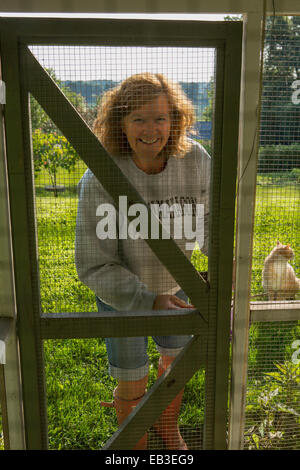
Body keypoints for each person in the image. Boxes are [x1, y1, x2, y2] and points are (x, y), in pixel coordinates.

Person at [75, 73, 210, 450]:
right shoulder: (100, 175)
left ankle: (167, 430)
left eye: (160, 118)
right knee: (132, 377)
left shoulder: (196, 160)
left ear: (176, 120)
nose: (151, 129)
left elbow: (214, 221)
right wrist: (147, 300)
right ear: (120, 124)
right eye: (138, 119)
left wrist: (219, 271)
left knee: (175, 370)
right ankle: (133, 444)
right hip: (122, 295)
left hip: (178, 284)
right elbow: (92, 262)